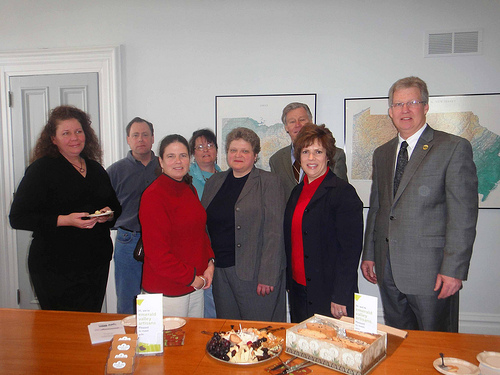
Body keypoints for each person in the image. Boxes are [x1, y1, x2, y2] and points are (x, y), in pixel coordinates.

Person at [361, 76, 478, 332]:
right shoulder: (382, 153)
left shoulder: (453, 148)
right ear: (390, 111)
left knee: (436, 348)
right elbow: (378, 208)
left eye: (412, 102)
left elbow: (463, 217)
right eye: (398, 104)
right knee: (400, 342)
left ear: (425, 106)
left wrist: (454, 269)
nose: (405, 110)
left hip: (432, 273)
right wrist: (369, 254)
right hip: (388, 268)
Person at [9, 105, 122, 312]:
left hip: (96, 262)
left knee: (88, 324)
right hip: (54, 266)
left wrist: (107, 215)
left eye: (79, 131)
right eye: (66, 133)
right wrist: (65, 220)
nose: (74, 138)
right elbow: (18, 217)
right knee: (61, 331)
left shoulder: (95, 168)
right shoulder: (41, 169)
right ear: (53, 139)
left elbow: (115, 208)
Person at [201, 127, 286, 322]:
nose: (238, 155)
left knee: (259, 336)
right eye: (233, 150)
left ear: (255, 155)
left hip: (255, 275)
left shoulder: (269, 182)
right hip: (220, 273)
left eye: (245, 151)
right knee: (229, 333)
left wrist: (268, 276)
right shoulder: (214, 182)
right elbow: (204, 226)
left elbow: (275, 232)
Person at [284, 124, 363, 323]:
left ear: (328, 156)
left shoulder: (343, 193)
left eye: (318, 152)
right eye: (306, 152)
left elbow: (350, 251)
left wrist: (341, 296)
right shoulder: (297, 193)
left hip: (330, 295)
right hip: (299, 290)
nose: (311, 158)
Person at [139, 134, 215, 318]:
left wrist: (210, 263)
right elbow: (157, 255)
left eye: (182, 155)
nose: (178, 161)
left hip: (195, 285)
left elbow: (200, 232)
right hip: (167, 290)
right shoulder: (153, 196)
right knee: (168, 346)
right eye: (171, 156)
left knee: (192, 342)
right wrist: (192, 278)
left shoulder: (189, 189)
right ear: (161, 161)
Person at [107, 117, 159, 314]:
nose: (141, 139)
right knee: (128, 299)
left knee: (156, 298)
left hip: (159, 241)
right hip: (128, 240)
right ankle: (128, 342)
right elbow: (105, 209)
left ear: (153, 138)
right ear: (128, 139)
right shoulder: (115, 171)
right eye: (135, 135)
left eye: (145, 135)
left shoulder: (165, 167)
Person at [269, 102, 348, 199]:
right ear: (286, 127)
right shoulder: (276, 160)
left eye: (302, 120)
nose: (297, 125)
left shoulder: (335, 155)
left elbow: (343, 195)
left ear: (310, 122)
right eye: (292, 121)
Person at [188, 129, 222, 319]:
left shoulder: (226, 176)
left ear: (217, 150)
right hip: (198, 248)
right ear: (193, 152)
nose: (205, 150)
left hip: (220, 249)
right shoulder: (187, 179)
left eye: (209, 145)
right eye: (199, 147)